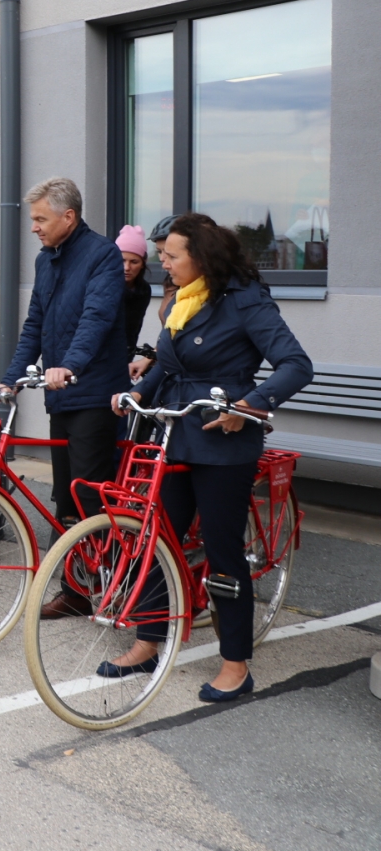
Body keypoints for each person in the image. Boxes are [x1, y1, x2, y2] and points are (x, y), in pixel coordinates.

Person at [111, 212, 311, 702]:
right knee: (158, 539)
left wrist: (253, 405)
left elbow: (296, 365)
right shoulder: (181, 301)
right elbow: (170, 364)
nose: (164, 264)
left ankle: (235, 664)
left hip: (224, 443)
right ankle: (148, 641)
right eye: (161, 256)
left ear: (201, 257)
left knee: (223, 553)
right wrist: (135, 393)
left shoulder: (245, 301)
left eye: (171, 256)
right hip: (178, 436)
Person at [0, 178, 127, 617]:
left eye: (40, 219)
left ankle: (113, 582)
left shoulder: (102, 255)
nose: (33, 227)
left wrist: (70, 365)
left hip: (92, 394)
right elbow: (35, 322)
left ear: (67, 217)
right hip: (62, 396)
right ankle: (75, 592)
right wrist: (11, 378)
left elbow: (97, 318)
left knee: (91, 496)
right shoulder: (45, 260)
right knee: (66, 498)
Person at [115, 225, 154, 383]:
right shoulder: (105, 286)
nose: (127, 267)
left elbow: (134, 330)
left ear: (143, 262)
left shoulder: (144, 290)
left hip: (125, 360)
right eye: (122, 260)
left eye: (134, 261)